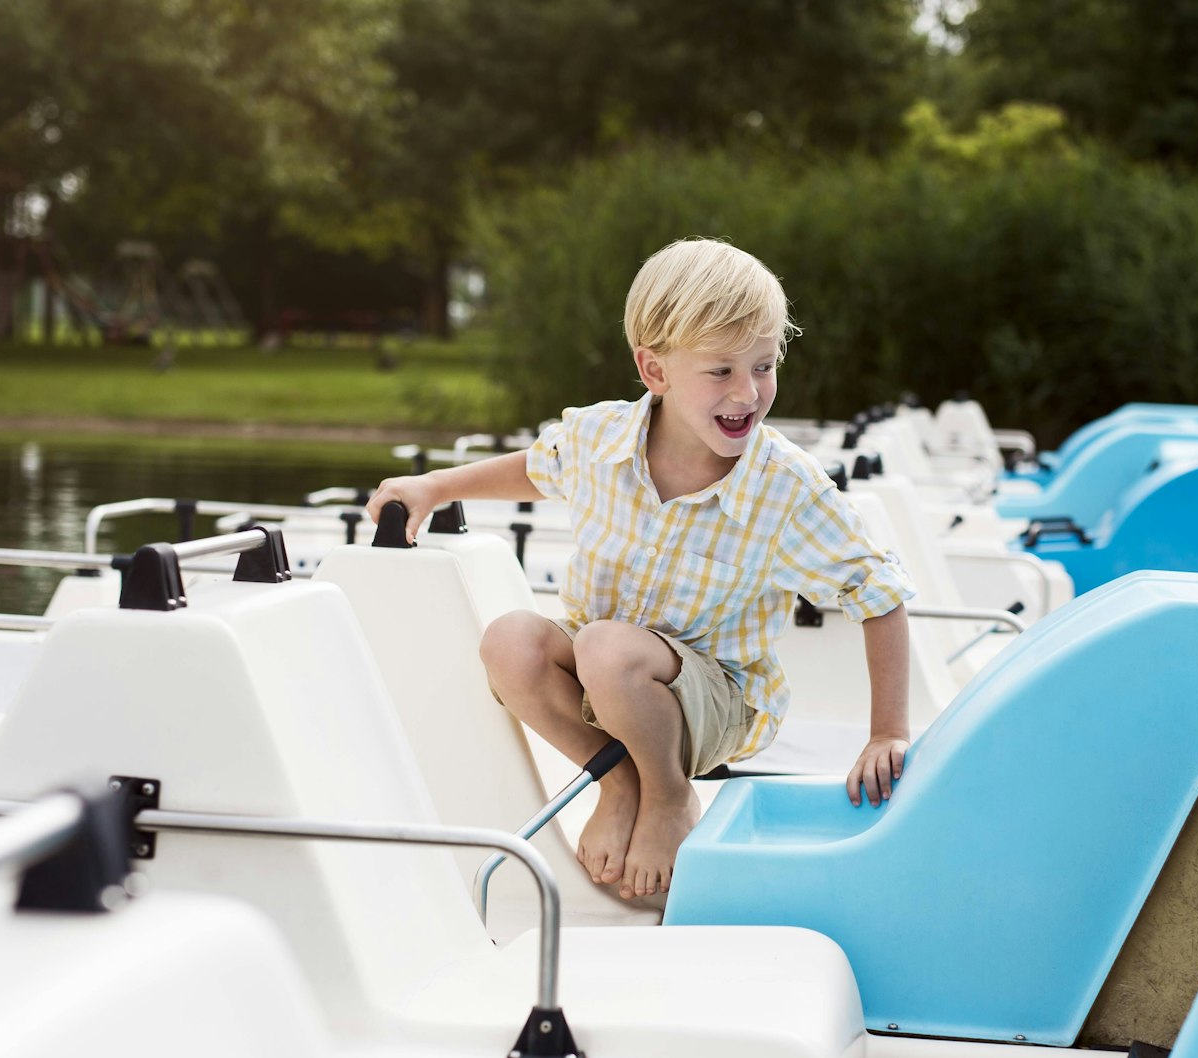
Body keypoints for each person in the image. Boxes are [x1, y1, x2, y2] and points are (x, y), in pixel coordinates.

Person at [366, 237, 914, 900]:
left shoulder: (786, 488)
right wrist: (434, 486)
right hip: (609, 674)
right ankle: (620, 779)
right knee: (509, 640)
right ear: (654, 371)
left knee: (606, 645)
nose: (748, 392)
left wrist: (887, 731)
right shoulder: (599, 439)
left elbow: (877, 593)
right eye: (721, 372)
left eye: (764, 366)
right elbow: (533, 470)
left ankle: (667, 796)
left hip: (714, 702)